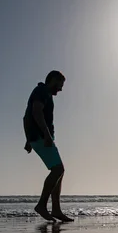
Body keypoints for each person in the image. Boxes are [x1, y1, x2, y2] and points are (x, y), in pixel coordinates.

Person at [23, 70, 73, 222]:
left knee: (59, 171)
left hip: (39, 137)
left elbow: (26, 117)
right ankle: (42, 205)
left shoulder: (45, 93)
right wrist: (45, 134)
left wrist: (28, 139)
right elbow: (35, 112)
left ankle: (56, 210)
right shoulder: (42, 91)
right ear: (53, 80)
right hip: (41, 136)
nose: (61, 89)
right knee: (58, 169)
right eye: (60, 85)